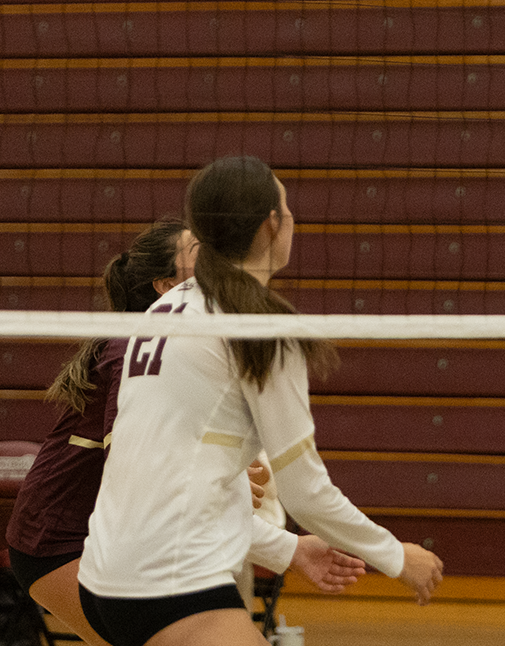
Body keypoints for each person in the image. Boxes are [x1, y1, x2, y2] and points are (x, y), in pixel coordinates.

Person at [76, 156, 443, 646]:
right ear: (273, 224)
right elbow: (304, 490)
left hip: (105, 576)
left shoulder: (166, 305)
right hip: (172, 580)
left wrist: (285, 549)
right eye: (287, 208)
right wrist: (395, 556)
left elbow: (187, 472)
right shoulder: (262, 330)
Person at [8, 218, 364, 646]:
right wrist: (270, 531)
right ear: (166, 286)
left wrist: (227, 482)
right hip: (62, 543)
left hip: (129, 540)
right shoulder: (134, 351)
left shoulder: (187, 354)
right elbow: (150, 476)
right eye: (200, 253)